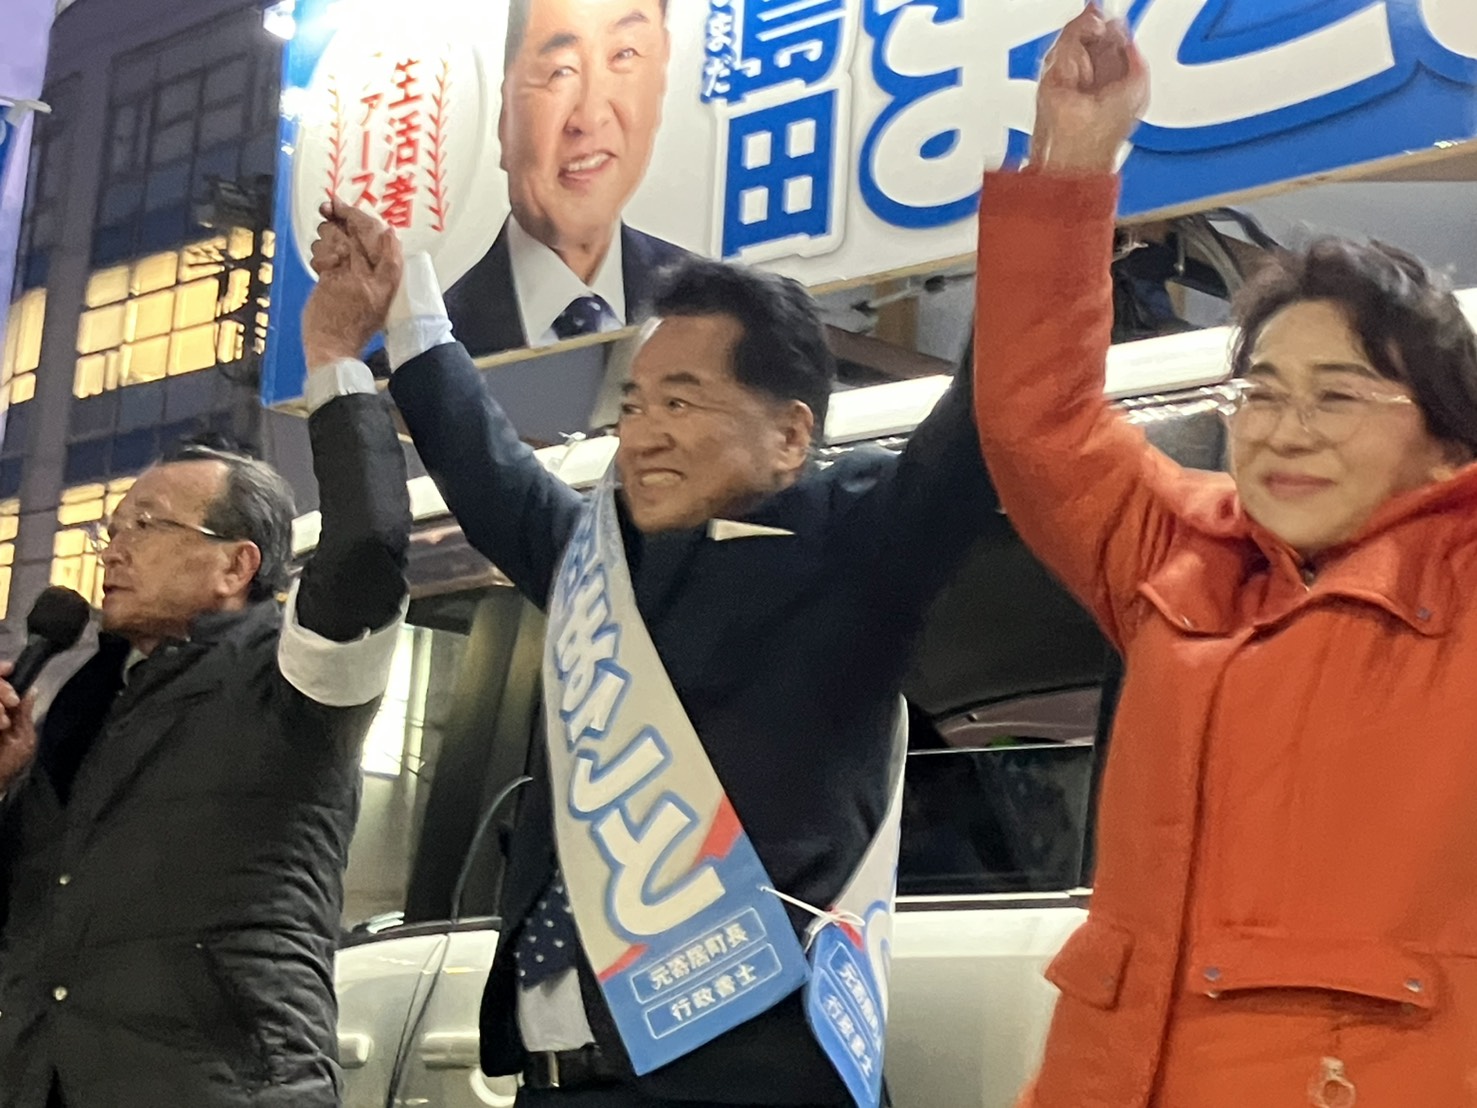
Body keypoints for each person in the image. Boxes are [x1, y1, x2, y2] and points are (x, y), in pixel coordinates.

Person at [310, 194, 1000, 1105]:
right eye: (633, 404)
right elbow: (488, 470)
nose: (641, 435)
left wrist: (1060, 188)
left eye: (680, 400)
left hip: (746, 1084)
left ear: (791, 434)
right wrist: (405, 306)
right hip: (553, 1081)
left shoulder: (859, 543)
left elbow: (986, 415)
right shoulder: (603, 566)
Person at [973, 9, 1477, 1107]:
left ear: (1447, 443)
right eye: (1262, 392)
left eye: (1338, 396)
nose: (1286, 431)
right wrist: (1074, 159)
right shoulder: (1179, 552)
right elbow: (1036, 420)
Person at [0, 225, 413, 1108]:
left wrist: (335, 359)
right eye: (112, 528)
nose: (114, 548)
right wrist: (8, 787)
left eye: (147, 525)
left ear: (236, 565)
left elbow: (368, 552)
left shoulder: (292, 680)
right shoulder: (83, 706)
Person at [445, 0, 690, 358]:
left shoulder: (721, 315)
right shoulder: (421, 362)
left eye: (624, 54)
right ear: (504, 112)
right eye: (560, 71)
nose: (589, 118)